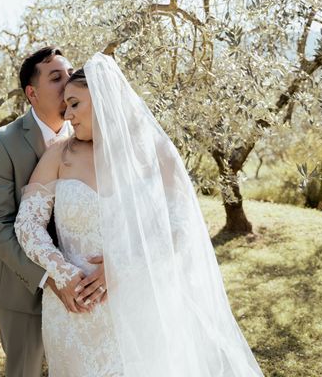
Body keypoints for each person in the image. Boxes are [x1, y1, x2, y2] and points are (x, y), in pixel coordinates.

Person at [14, 52, 265, 376]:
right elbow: (27, 224)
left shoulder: (154, 152)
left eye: (75, 104)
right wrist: (61, 272)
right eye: (66, 107)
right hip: (74, 311)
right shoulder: (59, 155)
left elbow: (182, 224)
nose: (69, 115)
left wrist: (122, 264)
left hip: (137, 303)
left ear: (104, 100)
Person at [0, 46, 105, 377]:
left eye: (70, 73)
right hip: (23, 287)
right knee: (26, 372)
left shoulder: (90, 135)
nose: (68, 83)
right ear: (32, 93)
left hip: (87, 288)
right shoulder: (1, 143)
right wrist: (52, 275)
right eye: (56, 77)